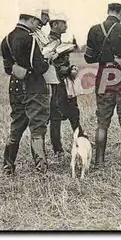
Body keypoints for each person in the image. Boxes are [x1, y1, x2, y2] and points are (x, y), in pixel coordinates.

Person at [84, 3, 121, 167]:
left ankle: (99, 160)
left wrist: (106, 56)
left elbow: (89, 58)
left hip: (104, 76)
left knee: (102, 122)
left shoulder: (94, 30)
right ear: (120, 13)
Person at [1, 8, 55, 175]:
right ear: (31, 20)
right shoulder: (29, 39)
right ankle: (41, 169)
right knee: (37, 128)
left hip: (15, 86)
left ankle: (8, 167)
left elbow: (7, 68)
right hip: (34, 87)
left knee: (16, 127)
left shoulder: (6, 39)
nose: (38, 26)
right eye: (37, 23)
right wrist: (49, 57)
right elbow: (40, 66)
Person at [47, 13, 84, 158]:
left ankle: (81, 141)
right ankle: (58, 150)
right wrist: (69, 70)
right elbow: (52, 65)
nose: (66, 26)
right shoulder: (49, 42)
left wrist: (71, 68)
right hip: (56, 84)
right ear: (55, 24)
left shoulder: (59, 41)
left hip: (65, 83)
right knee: (56, 117)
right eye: (63, 23)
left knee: (74, 113)